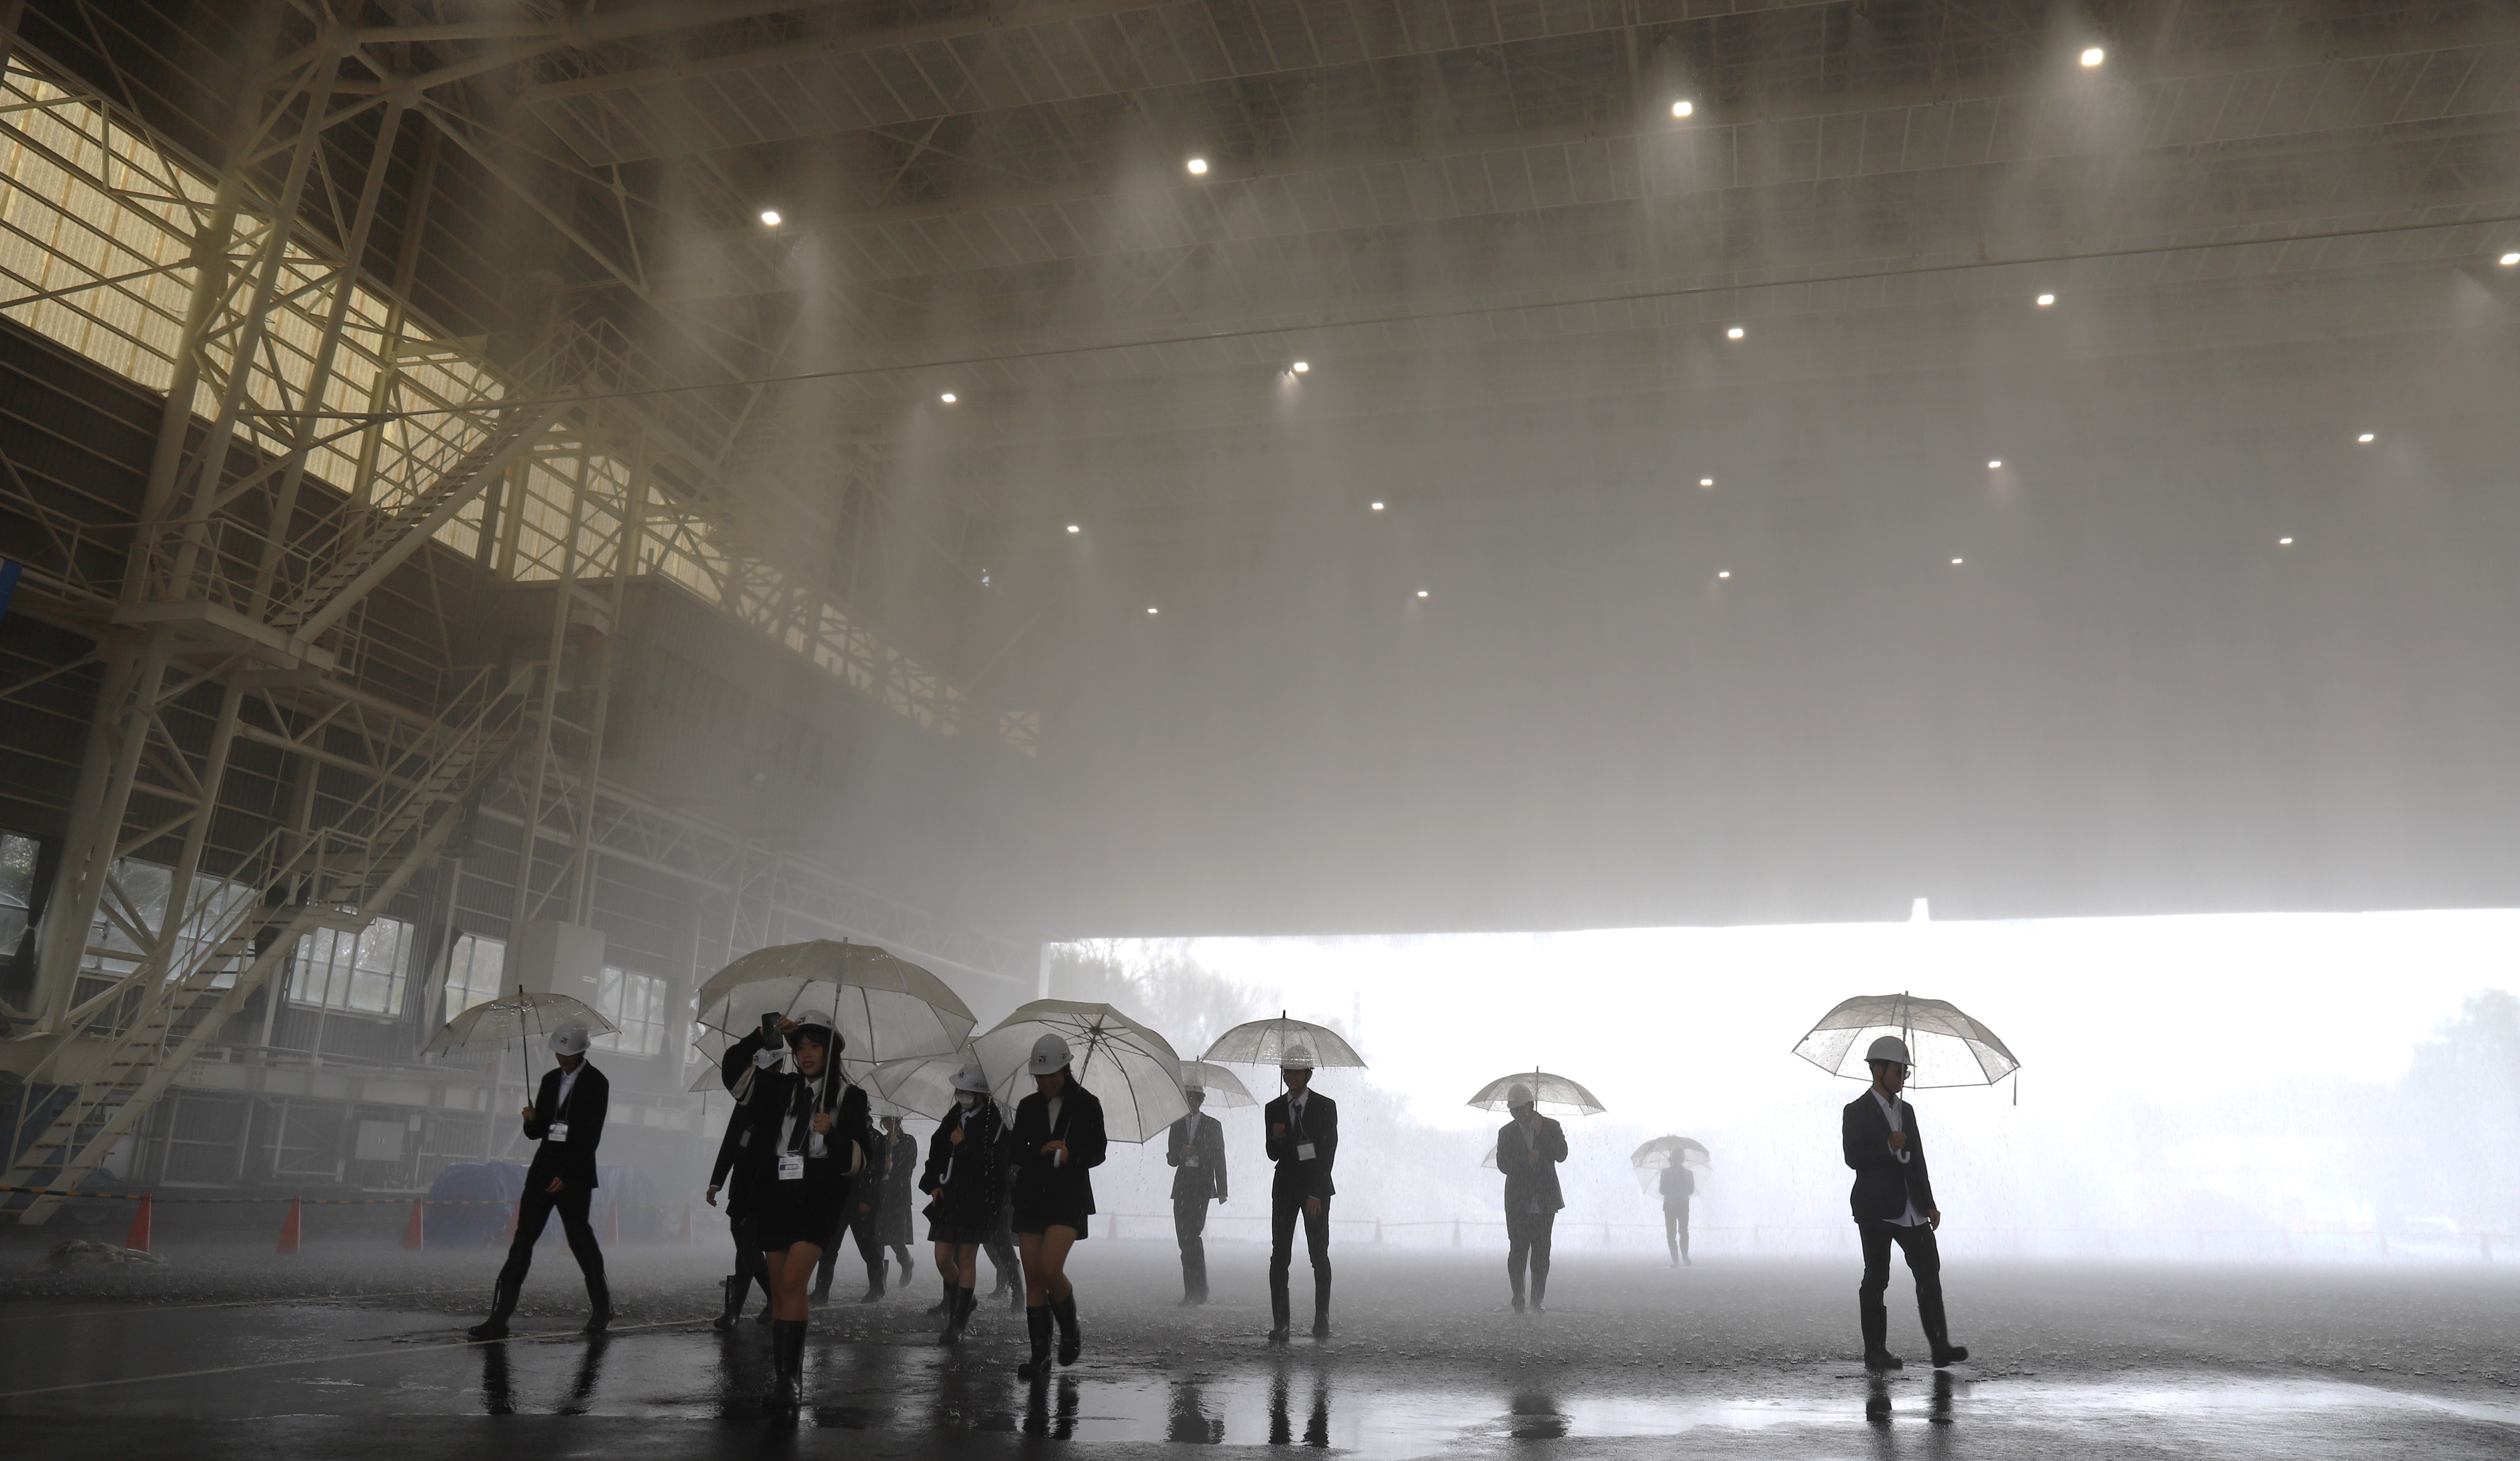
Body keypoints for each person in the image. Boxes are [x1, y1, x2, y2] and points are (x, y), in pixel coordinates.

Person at [722, 1010, 875, 1410]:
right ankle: (785, 1378)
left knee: (792, 1282)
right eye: (800, 1046)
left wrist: (835, 1134)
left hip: (819, 1201)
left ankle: (790, 1382)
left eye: (815, 1046)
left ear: (831, 1051)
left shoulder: (849, 1097)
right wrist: (764, 1034)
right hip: (776, 1197)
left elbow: (861, 1160)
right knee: (781, 1289)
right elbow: (735, 1075)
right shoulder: (781, 1088)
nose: (806, 1054)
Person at [469, 1026, 610, 1340]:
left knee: (580, 1241)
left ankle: (602, 1309)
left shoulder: (597, 1084)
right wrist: (531, 1120)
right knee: (522, 1242)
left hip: (575, 1176)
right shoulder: (548, 1081)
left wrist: (569, 1174)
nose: (562, 1060)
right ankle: (499, 1319)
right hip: (543, 1173)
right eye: (559, 1054)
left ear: (582, 1053)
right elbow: (537, 1135)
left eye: (569, 1055)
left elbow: (591, 1136)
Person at [1843, 1035, 1969, 1373]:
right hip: (1876, 1209)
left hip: (1912, 1208)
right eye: (1899, 1071)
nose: (1903, 1078)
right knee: (1877, 1278)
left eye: (1905, 1072)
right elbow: (1853, 1158)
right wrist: (1887, 1145)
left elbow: (1917, 1160)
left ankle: (1940, 1347)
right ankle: (1876, 1352)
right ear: (1878, 1069)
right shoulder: (1856, 1111)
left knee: (1930, 1272)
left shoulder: (1906, 1112)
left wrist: (1929, 1202)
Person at [1007, 1033, 1107, 1379]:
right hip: (1033, 1196)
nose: (1046, 1082)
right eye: (1040, 1076)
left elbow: (1098, 1152)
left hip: (1068, 1196)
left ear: (1066, 1070)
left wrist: (1070, 1155)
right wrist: (1040, 1151)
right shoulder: (1028, 1107)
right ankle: (1040, 1357)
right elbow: (1015, 1150)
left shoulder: (1087, 1104)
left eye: (1052, 1075)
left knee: (1051, 1269)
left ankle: (1071, 1328)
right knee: (1033, 1277)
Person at [920, 1063, 1004, 1345]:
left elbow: (993, 1166)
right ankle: (966, 1300)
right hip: (950, 1198)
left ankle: (957, 1323)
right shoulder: (954, 1116)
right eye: (960, 1091)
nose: (963, 1097)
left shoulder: (994, 1122)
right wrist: (933, 1184)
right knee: (943, 1258)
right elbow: (937, 1148)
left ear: (981, 1094)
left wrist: (966, 1144)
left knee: (966, 1258)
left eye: (968, 1092)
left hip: (976, 1202)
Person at [1262, 1045, 1337, 1342]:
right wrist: (1276, 1138)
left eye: (1297, 1071)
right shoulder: (1274, 1109)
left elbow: (1328, 1152)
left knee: (1319, 1256)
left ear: (1308, 1074)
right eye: (1287, 1071)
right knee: (1280, 1256)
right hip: (1284, 1190)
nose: (1292, 1077)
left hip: (1315, 1191)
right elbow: (1272, 1155)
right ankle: (1281, 1323)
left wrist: (1316, 1194)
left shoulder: (1325, 1106)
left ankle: (1322, 1319)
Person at [818, 1114, 918, 1303]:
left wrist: (895, 1154)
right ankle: (877, 1283)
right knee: (874, 1240)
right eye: (886, 1121)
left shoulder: (905, 1141)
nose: (889, 1124)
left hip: (894, 1198)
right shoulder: (878, 1139)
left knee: (893, 1240)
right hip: (873, 1196)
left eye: (892, 1120)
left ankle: (905, 1263)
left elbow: (905, 1168)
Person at [1495, 1083, 1567, 1313]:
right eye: (1513, 1110)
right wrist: (1526, 1160)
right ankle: (1519, 1297)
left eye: (1521, 1109)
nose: (1518, 1114)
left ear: (1530, 1106)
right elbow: (1503, 1165)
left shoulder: (1551, 1127)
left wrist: (1543, 1135)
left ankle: (1536, 1301)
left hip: (1544, 1200)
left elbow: (1562, 1154)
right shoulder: (1506, 1133)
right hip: (1518, 1202)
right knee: (1518, 1251)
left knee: (1542, 1251)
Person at [704, 1102, 772, 1329]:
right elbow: (731, 1142)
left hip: (768, 1186)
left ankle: (733, 1311)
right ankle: (776, 1298)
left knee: (748, 1245)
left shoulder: (785, 1099)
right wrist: (717, 1181)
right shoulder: (746, 1102)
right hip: (742, 1186)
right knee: (748, 1245)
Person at [1165, 1080, 1229, 1304]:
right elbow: (1171, 1159)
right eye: (1187, 1097)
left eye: (1193, 1098)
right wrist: (1180, 1152)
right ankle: (1191, 1290)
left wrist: (1222, 1189)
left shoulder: (1213, 1125)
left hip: (1201, 1187)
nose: (1190, 1101)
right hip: (1182, 1187)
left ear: (1200, 1100)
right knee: (1184, 1240)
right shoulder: (1176, 1125)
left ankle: (1199, 1290)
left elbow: (1219, 1157)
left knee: (1193, 1235)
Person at [1659, 1161, 1696, 1267]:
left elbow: (1691, 1190)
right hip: (1672, 1206)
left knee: (1683, 1232)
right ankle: (1677, 1260)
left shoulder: (1688, 1174)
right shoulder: (1666, 1173)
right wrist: (1669, 1184)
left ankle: (1683, 1258)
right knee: (1673, 1234)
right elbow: (1662, 1190)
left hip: (1680, 1206)